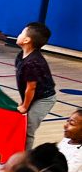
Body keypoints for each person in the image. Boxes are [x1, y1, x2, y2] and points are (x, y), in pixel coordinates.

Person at [14, 22, 57, 150]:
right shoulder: (20, 56)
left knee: (28, 128)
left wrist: (25, 106)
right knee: (21, 124)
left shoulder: (33, 62)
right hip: (33, 96)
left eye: (21, 33)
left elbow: (31, 87)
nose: (19, 35)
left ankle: (25, 159)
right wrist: (24, 103)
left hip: (44, 99)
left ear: (27, 40)